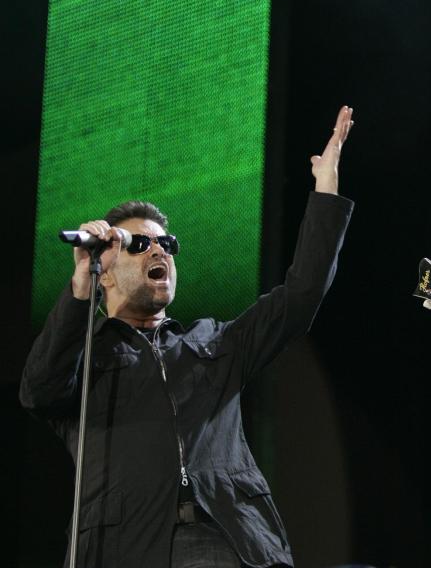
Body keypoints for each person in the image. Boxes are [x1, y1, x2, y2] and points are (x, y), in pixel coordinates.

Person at [20, 106, 356, 568]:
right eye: (139, 245)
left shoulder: (213, 344)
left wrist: (326, 187)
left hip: (226, 539)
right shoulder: (84, 356)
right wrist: (79, 285)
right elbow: (38, 390)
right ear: (106, 275)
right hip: (127, 548)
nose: (159, 248)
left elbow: (301, 294)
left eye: (167, 244)